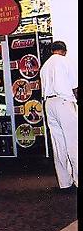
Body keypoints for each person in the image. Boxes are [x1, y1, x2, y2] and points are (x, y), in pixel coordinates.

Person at [40, 40, 78, 191]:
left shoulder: (45, 66)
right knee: (74, 142)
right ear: (65, 51)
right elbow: (75, 87)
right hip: (63, 101)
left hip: (49, 104)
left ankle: (65, 182)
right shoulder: (65, 61)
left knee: (58, 145)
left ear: (52, 51)